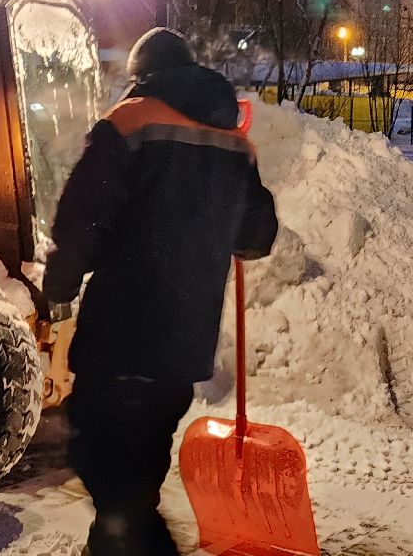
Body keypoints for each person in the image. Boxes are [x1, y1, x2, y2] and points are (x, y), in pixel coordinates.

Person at [43, 28, 278, 556]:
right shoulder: (233, 142)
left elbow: (84, 217)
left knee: (92, 445)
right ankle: (110, 545)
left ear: (143, 76)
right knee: (143, 461)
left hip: (121, 331)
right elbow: (257, 237)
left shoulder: (129, 122)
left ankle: (138, 543)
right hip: (184, 343)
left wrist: (59, 282)